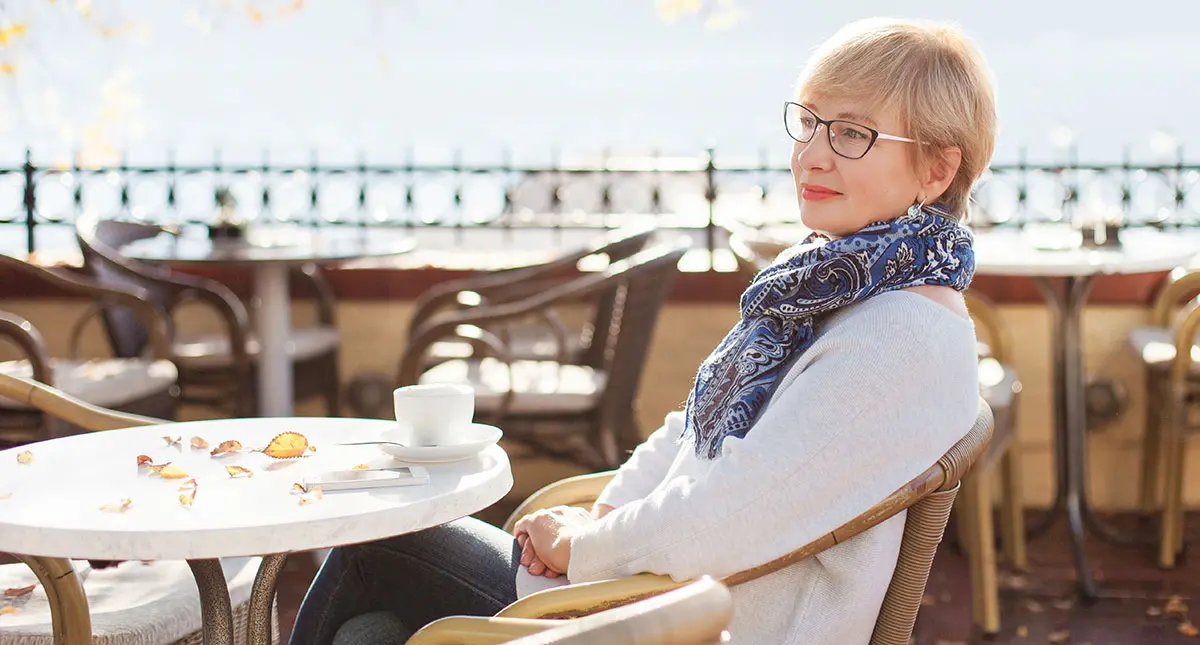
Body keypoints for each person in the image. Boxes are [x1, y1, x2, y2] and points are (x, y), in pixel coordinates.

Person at [289, 16, 996, 645]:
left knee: (373, 547)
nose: (811, 154)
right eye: (808, 121)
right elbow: (692, 431)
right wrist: (603, 514)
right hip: (647, 589)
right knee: (371, 631)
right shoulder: (830, 285)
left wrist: (587, 546)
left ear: (936, 169)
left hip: (687, 619)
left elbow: (732, 516)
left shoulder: (901, 336)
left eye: (851, 133)